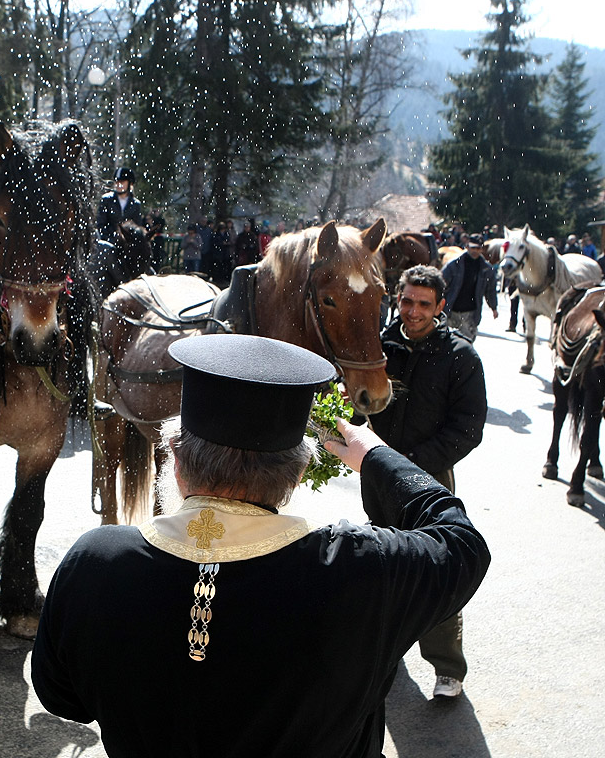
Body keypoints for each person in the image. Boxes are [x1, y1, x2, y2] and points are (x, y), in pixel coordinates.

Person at [31, 333, 491, 757]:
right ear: (294, 476)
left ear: (174, 459)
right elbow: (462, 544)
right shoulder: (361, 571)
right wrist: (374, 455)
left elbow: (60, 695)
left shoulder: (94, 563)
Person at [368, 264, 488, 699]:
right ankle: (387, 648)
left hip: (429, 480)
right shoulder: (379, 347)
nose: (413, 311)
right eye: (406, 301)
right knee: (384, 565)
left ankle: (447, 668)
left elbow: (468, 428)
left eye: (424, 304)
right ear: (396, 300)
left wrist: (412, 464)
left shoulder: (460, 356)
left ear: (440, 306)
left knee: (436, 571)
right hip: (378, 477)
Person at [441, 232, 498, 341]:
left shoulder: (486, 269)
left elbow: (490, 290)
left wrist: (494, 307)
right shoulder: (454, 264)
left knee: (466, 347)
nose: (475, 251)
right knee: (446, 345)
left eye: (478, 248)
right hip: (451, 311)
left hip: (470, 313)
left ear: (482, 249)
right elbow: (440, 284)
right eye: (473, 248)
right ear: (467, 246)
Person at [96, 168, 142, 245]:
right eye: (117, 182)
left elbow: (137, 227)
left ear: (130, 183)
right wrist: (111, 240)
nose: (118, 185)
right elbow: (101, 224)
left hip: (128, 245)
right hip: (108, 242)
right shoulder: (106, 200)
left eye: (122, 182)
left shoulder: (136, 204)